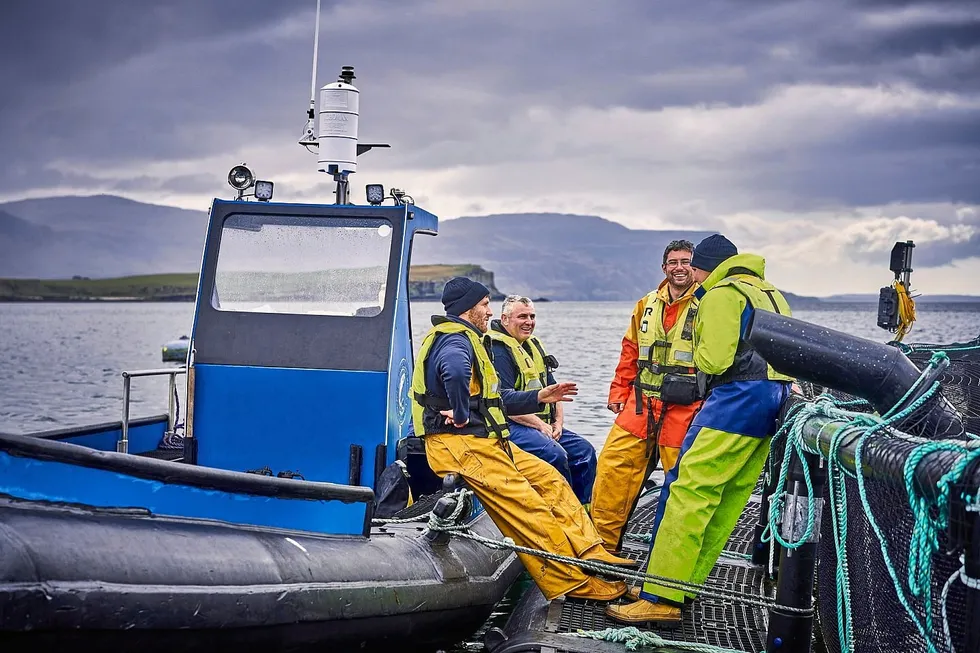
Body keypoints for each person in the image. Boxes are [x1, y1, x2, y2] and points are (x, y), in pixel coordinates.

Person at [411, 277, 637, 603]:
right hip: (457, 445)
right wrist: (460, 412)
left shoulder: (471, 340)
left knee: (549, 479)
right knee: (527, 506)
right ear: (468, 309)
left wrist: (539, 397)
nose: (489, 310)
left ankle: (590, 551)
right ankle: (572, 582)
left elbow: (494, 401)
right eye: (485, 304)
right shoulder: (455, 342)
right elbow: (455, 373)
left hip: (486, 442)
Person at [606, 234, 795, 625]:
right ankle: (685, 584)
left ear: (701, 267)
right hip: (773, 403)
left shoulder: (722, 293)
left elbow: (714, 358)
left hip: (735, 401)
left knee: (686, 494)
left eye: (692, 266)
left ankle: (660, 596)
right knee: (727, 498)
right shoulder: (770, 292)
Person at [589, 240, 704, 552]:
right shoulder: (646, 304)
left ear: (695, 268)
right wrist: (617, 391)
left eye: (686, 262)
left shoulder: (708, 304)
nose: (679, 267)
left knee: (681, 483)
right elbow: (630, 351)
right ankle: (602, 551)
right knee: (613, 469)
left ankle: (667, 558)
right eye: (673, 262)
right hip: (640, 405)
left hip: (685, 408)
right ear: (663, 267)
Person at [488, 295, 598, 507]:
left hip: (544, 424)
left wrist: (558, 423)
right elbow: (502, 402)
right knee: (554, 454)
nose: (529, 322)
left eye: (532, 316)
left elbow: (555, 392)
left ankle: (583, 510)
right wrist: (540, 425)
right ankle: (560, 510)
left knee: (585, 451)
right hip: (512, 424)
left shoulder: (533, 346)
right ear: (505, 319)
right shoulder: (498, 351)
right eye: (522, 316)